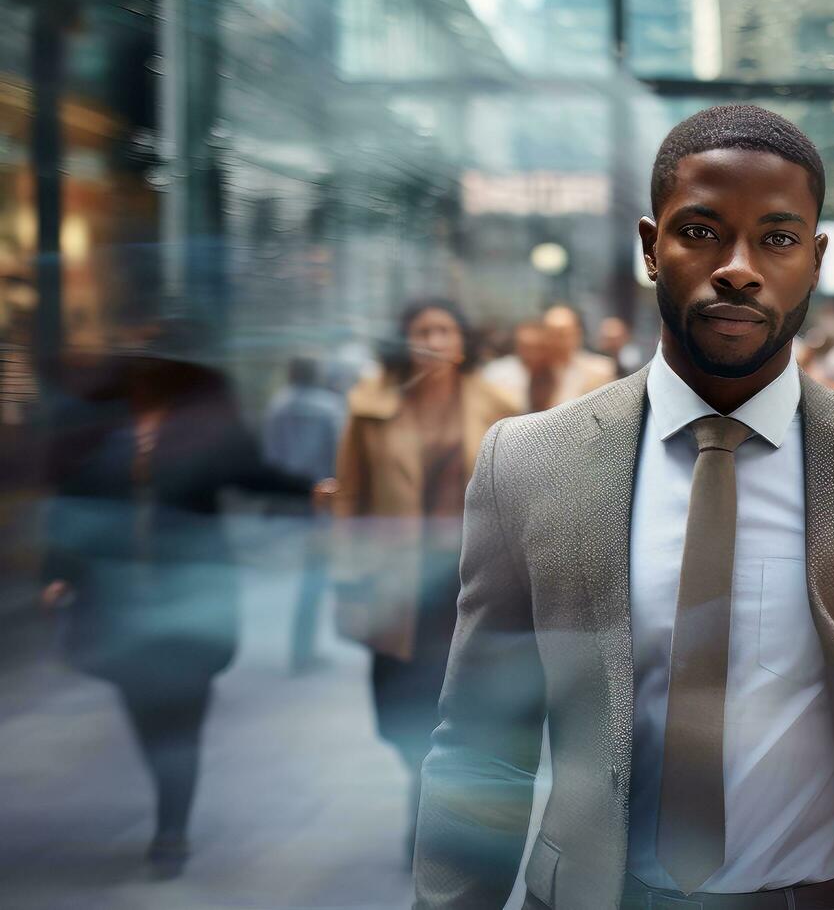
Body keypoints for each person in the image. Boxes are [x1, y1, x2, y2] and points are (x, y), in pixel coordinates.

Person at [414, 104, 834, 910]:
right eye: (701, 231)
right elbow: (482, 753)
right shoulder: (528, 464)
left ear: (813, 261)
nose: (737, 267)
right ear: (649, 246)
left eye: (776, 239)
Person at [39, 323, 315, 877]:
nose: (147, 369)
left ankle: (172, 830)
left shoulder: (206, 425)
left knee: (181, 721)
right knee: (148, 714)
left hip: (191, 598)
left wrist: (313, 489)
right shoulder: (101, 426)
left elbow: (251, 474)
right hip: (119, 605)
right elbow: (72, 504)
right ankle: (169, 796)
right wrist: (59, 571)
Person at [330, 298, 515, 861]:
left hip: (469, 582)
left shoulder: (499, 405)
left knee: (457, 703)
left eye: (444, 329)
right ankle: (422, 777)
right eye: (422, 330)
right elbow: (351, 497)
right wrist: (346, 572)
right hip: (396, 583)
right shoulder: (370, 406)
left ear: (462, 343)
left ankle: (435, 806)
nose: (433, 339)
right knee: (394, 710)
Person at [262, 356, 346, 672]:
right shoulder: (330, 406)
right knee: (313, 577)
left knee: (296, 575)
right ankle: (302, 652)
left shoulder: (276, 405)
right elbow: (339, 455)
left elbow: (270, 455)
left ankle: (297, 649)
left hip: (286, 499)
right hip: (320, 499)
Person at [482, 319, 559, 414]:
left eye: (538, 348)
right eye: (527, 348)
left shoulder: (556, 371)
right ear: (517, 346)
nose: (532, 354)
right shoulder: (496, 373)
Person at [543, 304, 618, 401]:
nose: (556, 341)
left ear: (577, 333)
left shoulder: (600, 370)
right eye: (550, 334)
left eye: (561, 334)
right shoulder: (535, 371)